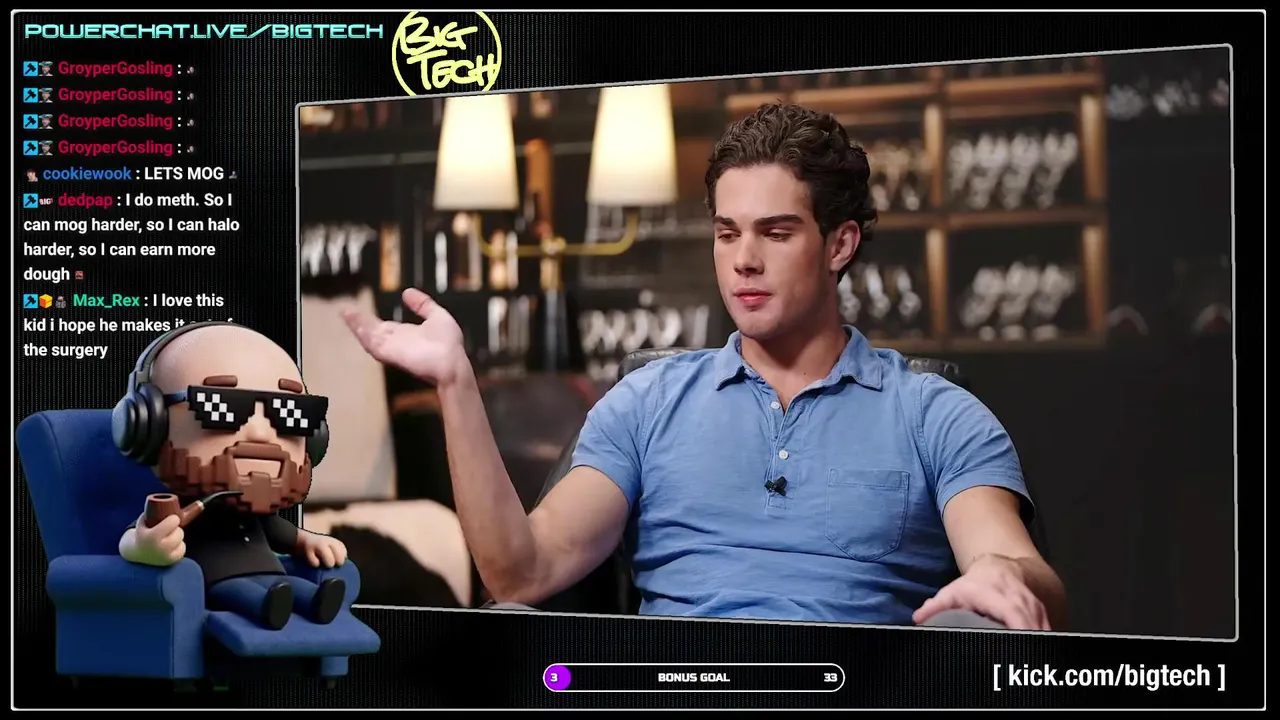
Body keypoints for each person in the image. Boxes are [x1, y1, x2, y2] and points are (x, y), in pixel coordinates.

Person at [343, 102, 1066, 631]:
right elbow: (519, 573)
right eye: (727, 233)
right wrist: (456, 385)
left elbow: (1018, 568)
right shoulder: (648, 400)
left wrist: (1004, 577)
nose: (744, 259)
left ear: (840, 244)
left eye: (775, 233)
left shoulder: (934, 413)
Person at [115, 322, 349, 630]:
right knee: (244, 594)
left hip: (273, 572)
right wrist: (144, 547)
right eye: (220, 406)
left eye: (292, 412)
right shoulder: (180, 507)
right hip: (217, 579)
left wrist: (309, 540)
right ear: (148, 424)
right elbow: (133, 537)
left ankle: (314, 602)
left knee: (295, 589)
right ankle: (267, 607)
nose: (260, 433)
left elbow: (283, 534)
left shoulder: (260, 515)